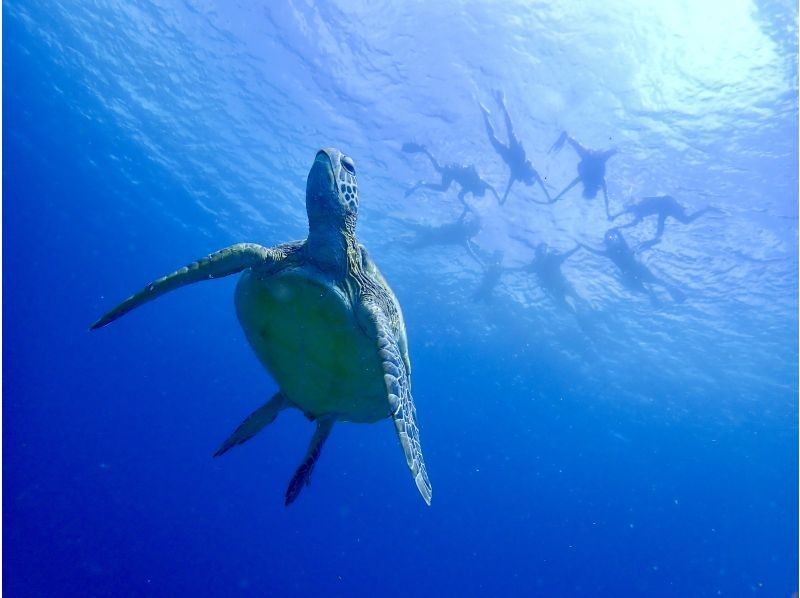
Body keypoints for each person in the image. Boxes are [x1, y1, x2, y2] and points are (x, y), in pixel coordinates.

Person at [479, 91, 551, 205]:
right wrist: (549, 197)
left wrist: (503, 199)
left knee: (497, 137)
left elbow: (508, 188)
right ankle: (502, 105)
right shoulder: (531, 172)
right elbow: (542, 184)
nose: (528, 179)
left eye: (527, 181)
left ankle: (486, 114)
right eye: (529, 180)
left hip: (509, 156)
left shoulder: (517, 175)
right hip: (517, 153)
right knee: (509, 132)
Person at [579, 228, 685, 304]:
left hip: (633, 272)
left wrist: (582, 244)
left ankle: (656, 295)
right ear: (607, 242)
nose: (612, 240)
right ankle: (657, 296)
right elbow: (595, 250)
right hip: (635, 271)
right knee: (654, 282)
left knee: (651, 283)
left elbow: (594, 251)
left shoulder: (613, 250)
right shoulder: (615, 249)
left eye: (611, 238)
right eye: (610, 239)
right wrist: (615, 231)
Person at [402, 142, 500, 205]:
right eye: (477, 193)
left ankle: (425, 154)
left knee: (439, 171)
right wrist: (499, 199)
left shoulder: (470, 188)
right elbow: (492, 188)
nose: (475, 193)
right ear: (479, 190)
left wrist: (466, 207)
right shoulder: (479, 182)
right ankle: (422, 181)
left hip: (452, 172)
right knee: (440, 174)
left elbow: (460, 196)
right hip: (455, 170)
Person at [610, 194, 722, 249]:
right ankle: (707, 209)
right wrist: (617, 224)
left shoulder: (635, 208)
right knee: (686, 221)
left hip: (665, 204)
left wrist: (615, 219)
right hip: (665, 206)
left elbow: (626, 214)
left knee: (661, 226)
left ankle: (656, 238)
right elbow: (633, 222)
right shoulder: (637, 212)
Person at [548, 132, 617, 218]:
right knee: (615, 150)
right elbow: (605, 197)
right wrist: (608, 213)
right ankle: (566, 136)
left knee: (572, 141)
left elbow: (568, 187)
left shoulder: (588, 180)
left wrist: (556, 197)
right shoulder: (597, 181)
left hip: (590, 157)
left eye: (589, 190)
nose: (590, 188)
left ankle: (566, 136)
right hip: (594, 158)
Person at [406, 203, 483, 265]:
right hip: (430, 233)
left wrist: (465, 211)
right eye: (469, 224)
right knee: (411, 236)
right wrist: (465, 211)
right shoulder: (462, 234)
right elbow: (472, 254)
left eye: (470, 225)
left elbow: (471, 254)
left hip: (431, 237)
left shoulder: (463, 239)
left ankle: (399, 239)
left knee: (411, 246)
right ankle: (401, 237)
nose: (467, 224)